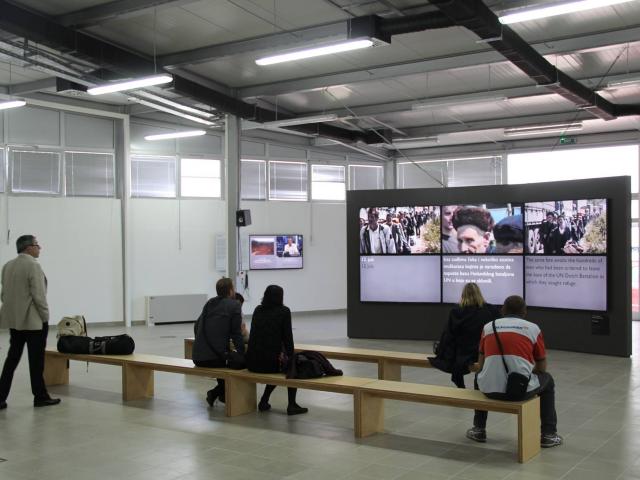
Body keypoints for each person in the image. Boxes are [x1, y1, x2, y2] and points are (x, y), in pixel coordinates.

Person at [466, 295, 562, 448]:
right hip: (519, 391)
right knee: (548, 380)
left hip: (489, 390)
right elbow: (542, 368)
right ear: (524, 312)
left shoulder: (488, 327)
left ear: (502, 310)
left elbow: (482, 365)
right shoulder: (533, 328)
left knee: (480, 376)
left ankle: (479, 429)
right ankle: (549, 435)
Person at [0, 235, 60, 409]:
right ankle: (40, 397)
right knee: (36, 361)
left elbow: (4, 295)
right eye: (36, 245)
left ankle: (0, 396)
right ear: (28, 248)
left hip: (16, 322)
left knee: (12, 358)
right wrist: (45, 316)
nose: (39, 248)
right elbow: (39, 296)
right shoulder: (33, 266)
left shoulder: (7, 266)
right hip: (34, 322)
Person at [246, 285, 308, 415]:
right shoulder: (284, 311)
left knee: (275, 361)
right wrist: (291, 357)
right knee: (291, 367)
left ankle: (264, 400)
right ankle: (292, 404)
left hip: (252, 362)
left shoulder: (258, 309)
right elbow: (288, 338)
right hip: (270, 364)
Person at [429, 283, 499, 388]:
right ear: (479, 293)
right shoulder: (490, 311)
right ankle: (478, 382)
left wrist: (441, 351)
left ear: (463, 294)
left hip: (463, 354)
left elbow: (449, 335)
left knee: (455, 348)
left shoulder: (456, 312)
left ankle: (460, 385)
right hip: (484, 353)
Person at [192, 277, 244, 407]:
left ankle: (220, 394)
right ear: (231, 291)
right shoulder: (234, 305)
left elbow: (197, 325)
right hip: (213, 358)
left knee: (224, 360)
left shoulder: (209, 303)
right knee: (239, 364)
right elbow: (236, 334)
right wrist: (242, 353)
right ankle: (218, 393)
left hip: (197, 356)